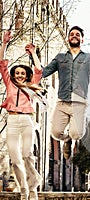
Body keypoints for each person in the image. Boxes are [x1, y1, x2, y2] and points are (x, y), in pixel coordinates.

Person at [40, 26, 90, 160]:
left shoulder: (88, 58)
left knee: (76, 134)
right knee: (55, 133)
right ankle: (66, 140)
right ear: (68, 38)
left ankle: (72, 138)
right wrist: (33, 54)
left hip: (79, 102)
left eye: (77, 34)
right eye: (72, 34)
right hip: (62, 101)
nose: (74, 36)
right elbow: (43, 72)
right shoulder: (60, 58)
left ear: (82, 39)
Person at [0, 31, 43, 200]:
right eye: (16, 73)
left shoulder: (31, 86)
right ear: (13, 75)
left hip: (26, 121)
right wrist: (4, 43)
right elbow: (2, 64)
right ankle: (23, 190)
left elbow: (39, 70)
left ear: (26, 75)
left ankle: (33, 188)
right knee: (15, 158)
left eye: (22, 73)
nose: (19, 75)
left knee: (27, 154)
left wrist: (33, 54)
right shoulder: (9, 83)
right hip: (12, 120)